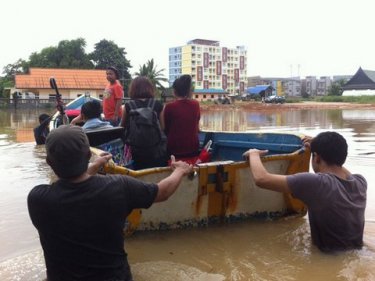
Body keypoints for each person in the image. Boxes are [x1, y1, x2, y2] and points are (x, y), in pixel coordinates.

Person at [27, 125, 193, 281]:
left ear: (49, 162)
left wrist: (94, 166)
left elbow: (66, 185)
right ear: (87, 155)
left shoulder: (38, 199)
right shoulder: (118, 187)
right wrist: (180, 170)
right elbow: (162, 192)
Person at [243, 131, 367, 253]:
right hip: (358, 251)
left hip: (327, 256)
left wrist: (253, 154)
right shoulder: (360, 183)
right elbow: (339, 168)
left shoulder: (317, 184)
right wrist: (320, 147)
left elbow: (261, 179)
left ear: (317, 158)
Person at [120, 76, 167, 169]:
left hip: (135, 152)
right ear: (150, 88)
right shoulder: (157, 105)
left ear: (133, 89)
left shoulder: (129, 105)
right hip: (155, 151)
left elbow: (122, 127)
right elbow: (163, 127)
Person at [161, 75, 201, 162]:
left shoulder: (169, 107)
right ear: (189, 91)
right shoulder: (196, 105)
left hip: (174, 152)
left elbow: (165, 129)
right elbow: (197, 127)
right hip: (193, 150)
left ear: (174, 91)